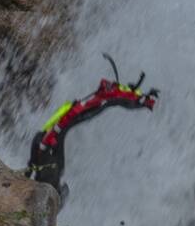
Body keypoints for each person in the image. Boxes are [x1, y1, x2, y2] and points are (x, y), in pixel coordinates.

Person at [26, 72, 159, 196]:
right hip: (50, 141)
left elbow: (114, 96)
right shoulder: (44, 145)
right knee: (51, 170)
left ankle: (49, 193)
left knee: (51, 169)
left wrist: (141, 99)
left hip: (51, 140)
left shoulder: (45, 144)